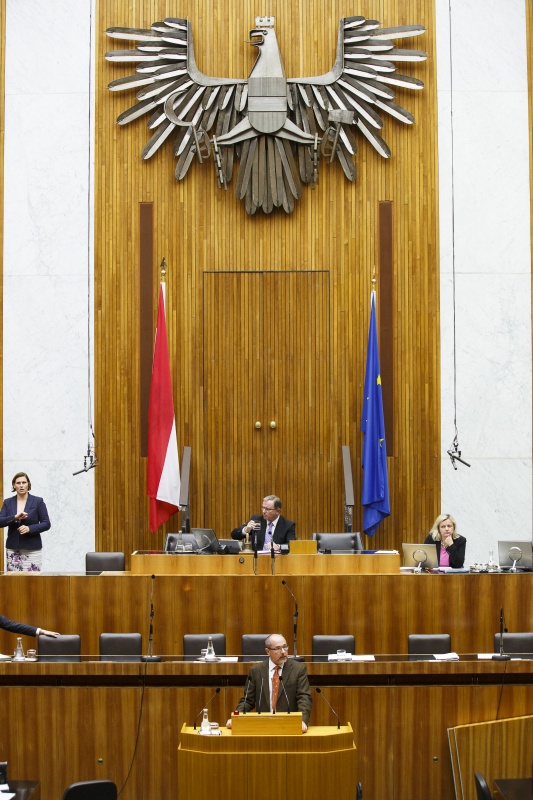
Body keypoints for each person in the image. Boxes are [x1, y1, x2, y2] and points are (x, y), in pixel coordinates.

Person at [227, 633, 312, 732]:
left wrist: (302, 721)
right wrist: (236, 717)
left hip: (289, 725)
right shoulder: (256, 671)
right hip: (264, 726)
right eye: (277, 649)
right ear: (268, 651)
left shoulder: (298, 669)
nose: (283, 652)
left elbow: (304, 698)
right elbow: (247, 700)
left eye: (285, 647)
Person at [0, 472, 51, 572]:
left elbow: (46, 523)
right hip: (13, 549)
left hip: (33, 549)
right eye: (18, 483)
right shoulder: (8, 502)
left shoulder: (38, 501)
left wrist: (29, 528)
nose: (21, 485)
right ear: (14, 485)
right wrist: (14, 517)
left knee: (33, 582)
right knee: (14, 582)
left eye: (24, 482)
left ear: (28, 484)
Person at [231, 495, 296, 551]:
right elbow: (234, 535)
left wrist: (279, 547)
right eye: (263, 508)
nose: (264, 511)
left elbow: (292, 545)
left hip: (277, 560)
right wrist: (246, 530)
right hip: (257, 559)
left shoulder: (288, 525)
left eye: (267, 509)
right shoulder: (256, 520)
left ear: (278, 511)